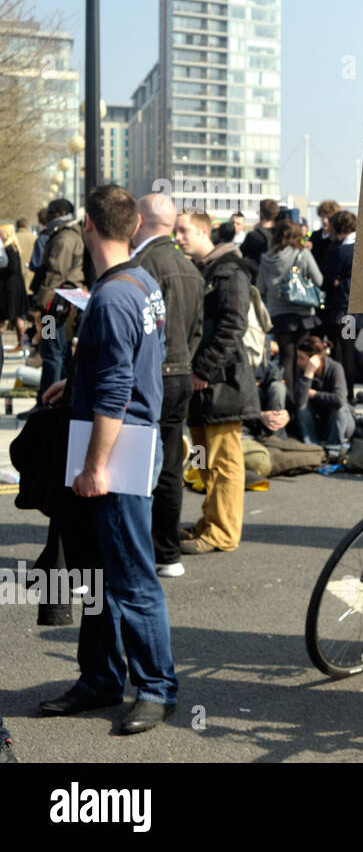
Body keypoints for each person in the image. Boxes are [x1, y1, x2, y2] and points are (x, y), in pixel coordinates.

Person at [37, 183, 178, 735]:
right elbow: (132, 363)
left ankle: (157, 687)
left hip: (119, 450)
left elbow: (121, 383)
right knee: (101, 575)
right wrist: (77, 379)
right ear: (135, 226)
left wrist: (96, 465)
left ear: (88, 228)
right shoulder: (140, 283)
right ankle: (99, 679)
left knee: (132, 578)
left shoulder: (117, 294)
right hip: (132, 440)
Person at [173, 211, 259, 555]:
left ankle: (222, 531)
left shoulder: (229, 271)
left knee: (223, 462)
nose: (178, 237)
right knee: (203, 459)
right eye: (176, 230)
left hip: (222, 383)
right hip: (206, 384)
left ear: (203, 231)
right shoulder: (206, 270)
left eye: (184, 230)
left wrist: (203, 371)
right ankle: (209, 521)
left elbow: (233, 326)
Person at [132, 193, 205, 578]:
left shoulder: (141, 265)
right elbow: (197, 329)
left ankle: (137, 549)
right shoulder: (190, 269)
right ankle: (167, 551)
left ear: (140, 222)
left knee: (135, 463)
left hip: (150, 375)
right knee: (171, 465)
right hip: (179, 374)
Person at [256, 219, 324, 400]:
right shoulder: (302, 254)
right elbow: (319, 280)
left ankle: (288, 400)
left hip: (278, 313)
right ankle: (301, 400)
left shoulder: (267, 258)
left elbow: (260, 288)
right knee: (302, 357)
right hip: (302, 312)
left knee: (286, 358)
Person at [30, 198, 84, 401]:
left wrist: (39, 304)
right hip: (59, 303)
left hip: (55, 305)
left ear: (60, 214)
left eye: (51, 214)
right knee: (57, 349)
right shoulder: (66, 235)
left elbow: (55, 273)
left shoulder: (65, 238)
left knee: (51, 348)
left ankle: (47, 400)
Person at [321, 209, 363, 400]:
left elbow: (327, 280)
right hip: (361, 309)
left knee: (346, 351)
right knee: (350, 347)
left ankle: (351, 392)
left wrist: (336, 282)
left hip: (344, 310)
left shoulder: (340, 251)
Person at [291, 334, 354, 451]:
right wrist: (309, 373)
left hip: (342, 425)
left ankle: (334, 449)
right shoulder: (304, 372)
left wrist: (314, 394)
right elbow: (299, 403)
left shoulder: (335, 368)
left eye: (301, 358)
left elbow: (339, 400)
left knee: (338, 407)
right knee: (303, 405)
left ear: (314, 358)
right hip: (320, 425)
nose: (298, 362)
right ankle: (312, 447)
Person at [0, 223, 27, 350]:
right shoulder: (13, 246)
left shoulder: (9, 248)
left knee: (8, 314)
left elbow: (12, 267)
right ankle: (21, 342)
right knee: (16, 315)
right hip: (14, 285)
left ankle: (21, 342)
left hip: (10, 287)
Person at [239, 198, 278, 265]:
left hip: (258, 273)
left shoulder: (253, 235)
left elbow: (240, 254)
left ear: (261, 214)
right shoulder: (281, 233)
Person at [309, 199, 339, 269]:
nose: (325, 221)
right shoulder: (315, 235)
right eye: (323, 216)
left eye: (328, 217)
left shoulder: (337, 237)